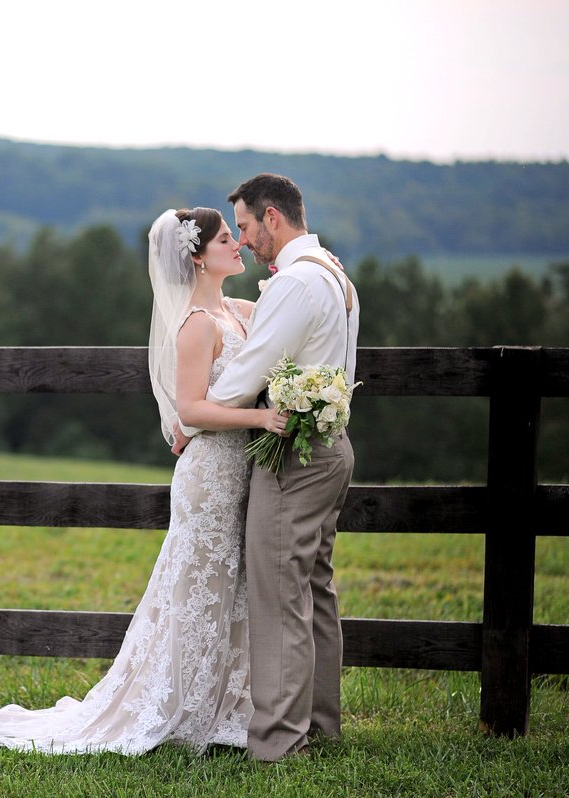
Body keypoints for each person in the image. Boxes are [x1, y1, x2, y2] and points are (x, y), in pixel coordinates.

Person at [0, 208, 289, 755]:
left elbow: (289, 311)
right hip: (209, 477)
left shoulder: (236, 310)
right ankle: (173, 707)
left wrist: (326, 275)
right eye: (227, 239)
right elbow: (189, 410)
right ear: (197, 256)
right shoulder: (195, 325)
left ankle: (226, 704)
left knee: (231, 593)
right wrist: (259, 419)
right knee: (194, 592)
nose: (239, 245)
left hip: (240, 475)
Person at [201, 173, 359, 762]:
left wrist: (193, 417)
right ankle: (318, 727)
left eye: (243, 226)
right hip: (332, 444)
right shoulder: (335, 276)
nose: (241, 240)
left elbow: (245, 379)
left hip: (295, 453)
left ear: (272, 218)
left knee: (278, 591)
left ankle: (277, 742)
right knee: (314, 588)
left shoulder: (295, 283)